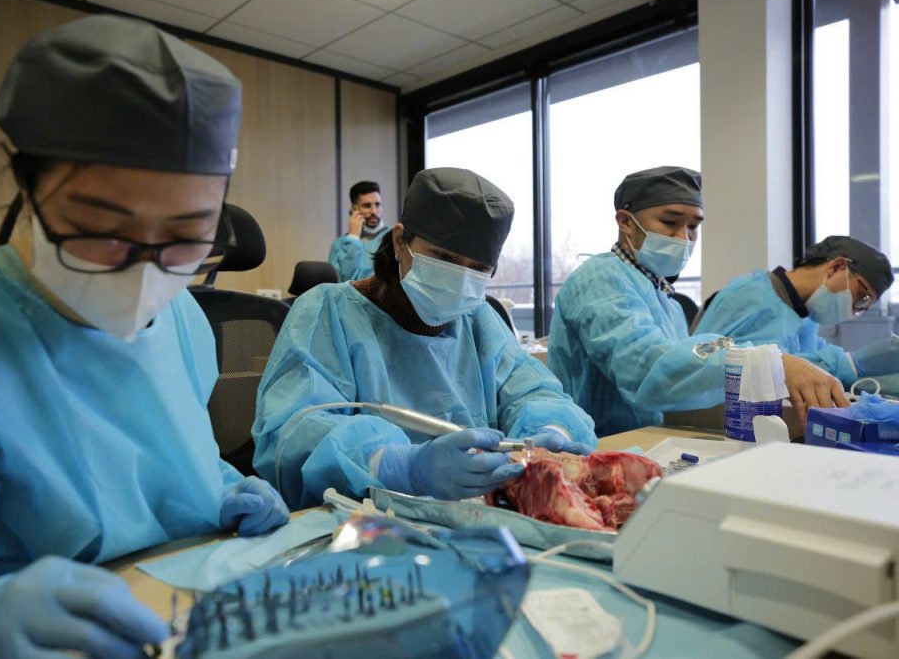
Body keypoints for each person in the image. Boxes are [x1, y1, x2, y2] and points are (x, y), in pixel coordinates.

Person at [0, 15, 289, 658]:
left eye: (186, 234)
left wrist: (222, 488)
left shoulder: (182, 320)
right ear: (25, 182)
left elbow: (169, 458)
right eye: (101, 227)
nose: (145, 271)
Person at [253, 167, 596, 510]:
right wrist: (400, 466)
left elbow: (535, 391)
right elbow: (291, 436)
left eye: (478, 269)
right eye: (444, 258)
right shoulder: (327, 312)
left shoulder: (478, 320)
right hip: (366, 521)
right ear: (399, 241)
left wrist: (553, 431)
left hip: (479, 515)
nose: (459, 281)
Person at [548, 166, 848, 436]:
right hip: (595, 445)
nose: (684, 238)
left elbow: (695, 352)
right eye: (670, 222)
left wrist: (754, 353)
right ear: (626, 222)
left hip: (644, 439)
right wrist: (767, 361)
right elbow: (647, 368)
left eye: (693, 226)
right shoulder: (599, 279)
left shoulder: (667, 301)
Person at [694, 235, 896, 384]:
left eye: (864, 307)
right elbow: (703, 357)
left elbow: (812, 367)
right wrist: (851, 363)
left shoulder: (804, 318)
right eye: (862, 297)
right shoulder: (749, 296)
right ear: (836, 267)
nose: (854, 311)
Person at [327, 180, 389, 280]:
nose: (374, 211)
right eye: (367, 206)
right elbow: (343, 283)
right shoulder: (339, 245)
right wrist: (353, 238)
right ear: (354, 209)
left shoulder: (394, 236)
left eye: (377, 205)